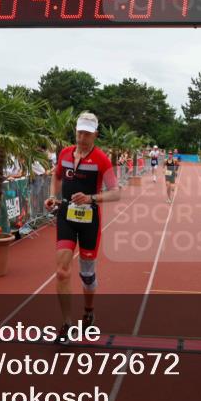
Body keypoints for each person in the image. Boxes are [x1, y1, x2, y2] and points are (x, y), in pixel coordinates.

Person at [44, 112, 120, 342]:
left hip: (90, 221)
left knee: (87, 274)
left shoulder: (101, 159)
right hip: (66, 216)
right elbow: (57, 176)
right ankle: (67, 324)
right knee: (61, 271)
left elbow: (116, 192)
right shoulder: (65, 153)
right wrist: (52, 196)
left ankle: (88, 311)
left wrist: (91, 198)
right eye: (79, 131)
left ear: (95, 134)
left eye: (87, 132)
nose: (82, 136)